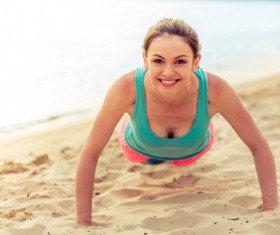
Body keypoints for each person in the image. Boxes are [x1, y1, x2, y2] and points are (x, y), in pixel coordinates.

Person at [75, 18, 279, 226]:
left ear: (196, 61)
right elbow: (90, 152)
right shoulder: (126, 88)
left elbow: (258, 146)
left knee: (183, 160)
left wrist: (269, 208)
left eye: (180, 61)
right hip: (138, 148)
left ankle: (180, 144)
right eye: (158, 61)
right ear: (145, 60)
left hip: (193, 149)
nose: (168, 72)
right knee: (146, 158)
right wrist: (83, 222)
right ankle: (138, 123)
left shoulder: (216, 90)